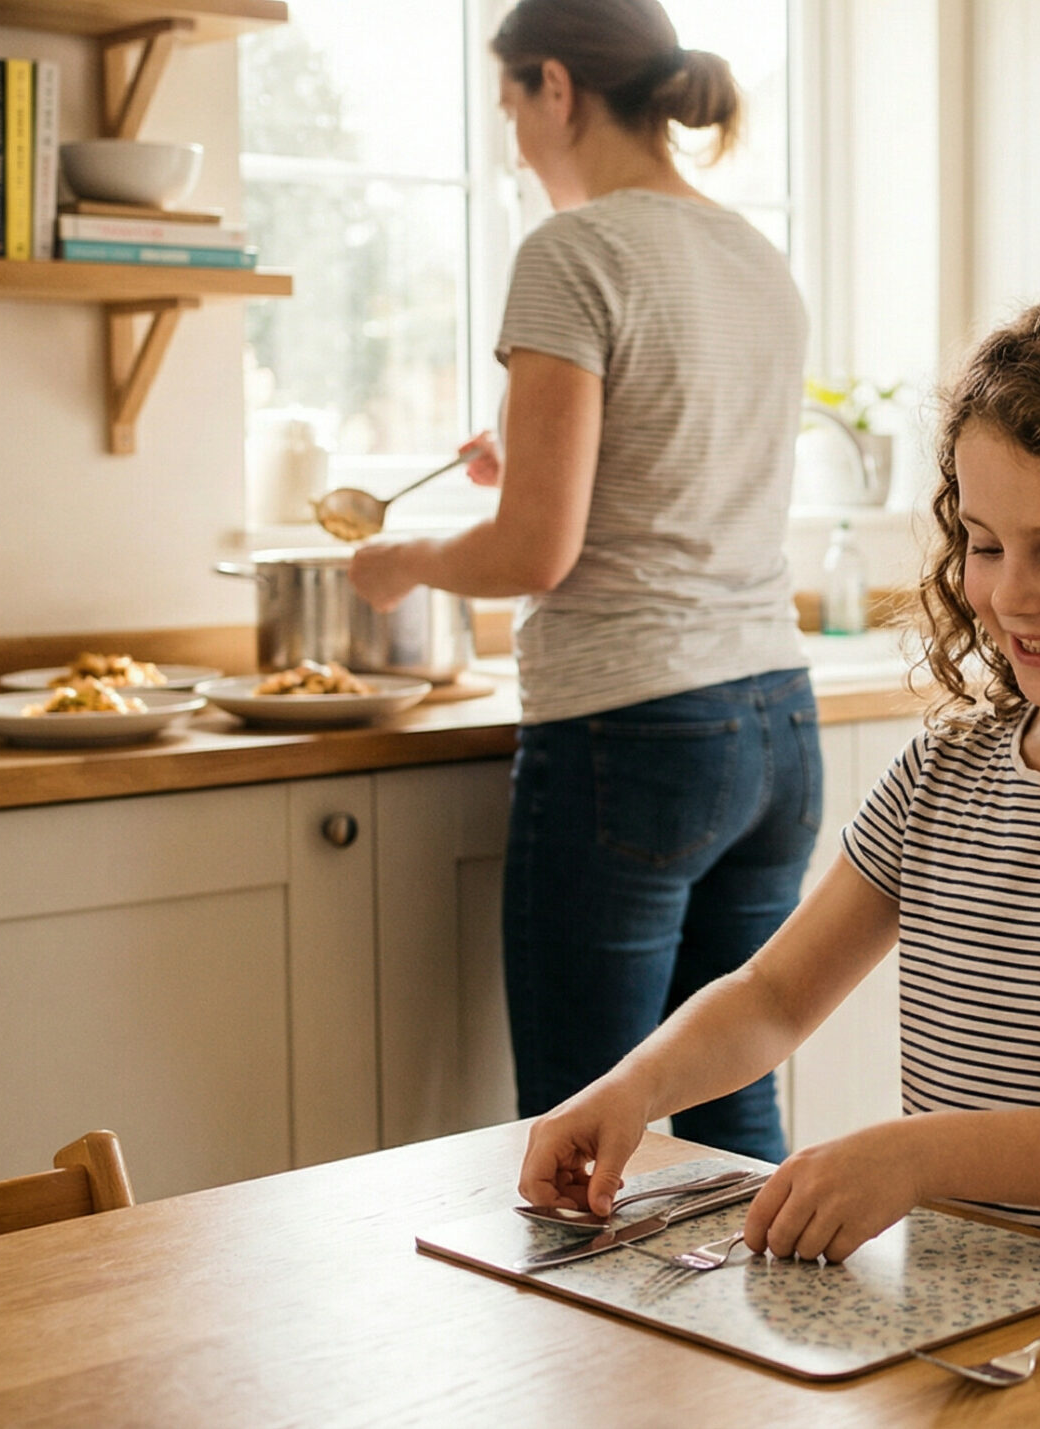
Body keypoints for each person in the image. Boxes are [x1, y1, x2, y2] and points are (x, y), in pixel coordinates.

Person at [516, 278, 1040, 1287]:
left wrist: (916, 1155)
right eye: (984, 543)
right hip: (961, 1309)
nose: (1009, 592)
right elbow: (774, 995)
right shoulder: (944, 775)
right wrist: (631, 1087)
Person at [347, 0, 812, 1165]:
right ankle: (747, 1351)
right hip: (772, 722)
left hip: (635, 732)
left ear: (556, 87)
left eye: (510, 106)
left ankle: (594, 1359)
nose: (512, 140)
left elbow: (531, 555)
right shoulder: (756, 256)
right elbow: (680, 466)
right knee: (727, 1104)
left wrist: (405, 561)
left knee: (578, 1115)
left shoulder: (573, 250)